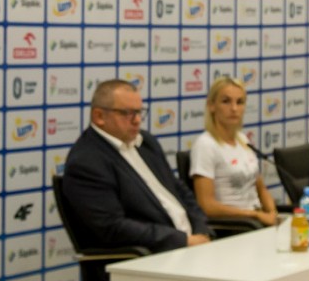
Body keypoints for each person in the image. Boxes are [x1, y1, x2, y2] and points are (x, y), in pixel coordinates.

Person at [62, 79, 211, 254]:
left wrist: (202, 229)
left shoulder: (146, 142)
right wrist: (183, 240)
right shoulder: (87, 162)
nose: (137, 120)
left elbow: (178, 190)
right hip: (154, 254)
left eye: (139, 112)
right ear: (99, 116)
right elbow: (113, 227)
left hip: (193, 244)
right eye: (126, 113)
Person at [190, 76, 278, 226]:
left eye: (240, 102)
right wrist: (254, 215)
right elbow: (206, 205)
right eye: (226, 101)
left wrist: (272, 214)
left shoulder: (243, 140)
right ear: (211, 105)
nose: (234, 108)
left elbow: (261, 188)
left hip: (256, 220)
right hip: (236, 226)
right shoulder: (205, 145)